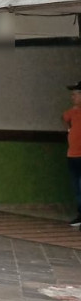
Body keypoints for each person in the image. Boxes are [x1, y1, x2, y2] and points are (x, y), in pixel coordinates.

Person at [65, 85, 81, 226]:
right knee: (76, 187)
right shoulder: (71, 112)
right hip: (72, 155)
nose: (72, 97)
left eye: (75, 94)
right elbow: (64, 119)